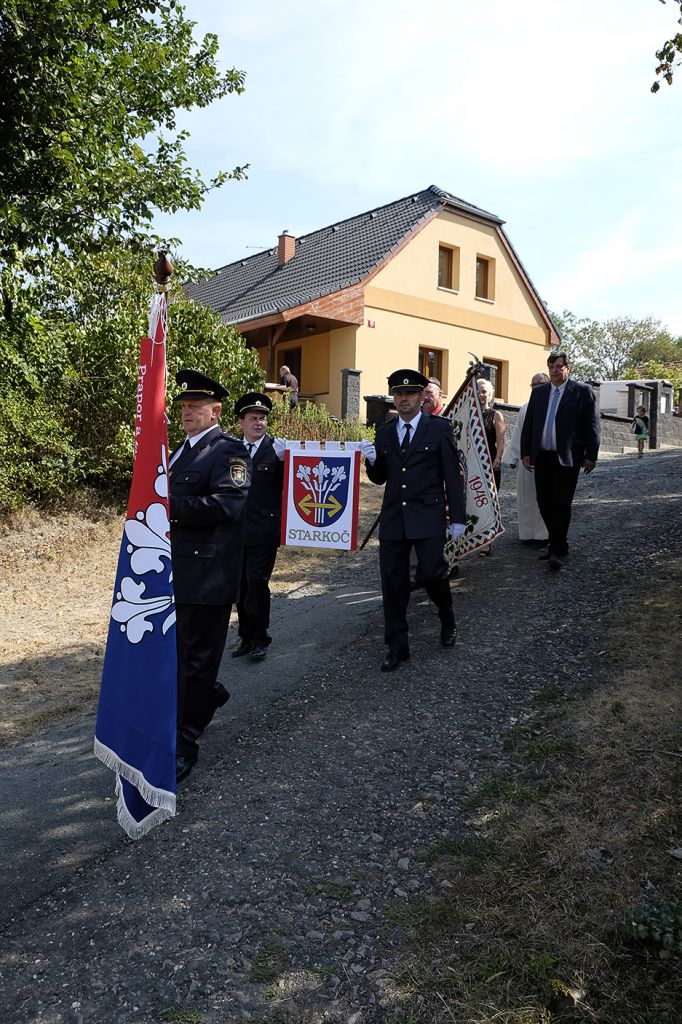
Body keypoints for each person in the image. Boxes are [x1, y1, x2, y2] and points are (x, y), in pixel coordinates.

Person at [169, 369, 251, 783]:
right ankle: (209, 695)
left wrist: (170, 506)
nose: (187, 412)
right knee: (180, 658)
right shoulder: (177, 452)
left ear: (215, 411)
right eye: (183, 406)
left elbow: (227, 505)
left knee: (196, 661)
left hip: (209, 573)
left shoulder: (229, 451)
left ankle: (186, 743)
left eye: (195, 406)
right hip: (175, 572)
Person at [363, 368, 466, 671]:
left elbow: (451, 476)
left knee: (433, 574)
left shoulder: (439, 429)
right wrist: (371, 460)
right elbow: (380, 477)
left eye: (410, 393)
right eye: (398, 393)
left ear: (422, 397)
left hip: (428, 515)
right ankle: (397, 645)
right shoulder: (384, 431)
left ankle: (447, 617)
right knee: (393, 583)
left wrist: (457, 517)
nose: (404, 398)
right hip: (395, 517)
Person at [520, 352, 600, 571]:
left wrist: (591, 455)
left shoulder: (581, 391)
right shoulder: (539, 393)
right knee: (544, 502)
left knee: (561, 504)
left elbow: (593, 425)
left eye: (558, 366)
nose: (555, 371)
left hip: (567, 458)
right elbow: (529, 424)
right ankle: (559, 543)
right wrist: (526, 451)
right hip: (542, 457)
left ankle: (555, 548)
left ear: (567, 368)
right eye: (551, 367)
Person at [232, 392, 285, 662]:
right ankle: (245, 636)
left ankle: (260, 638)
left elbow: (292, 485)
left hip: (264, 530)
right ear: (241, 422)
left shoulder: (277, 449)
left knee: (257, 584)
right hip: (236, 531)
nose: (259, 423)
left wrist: (286, 461)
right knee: (240, 587)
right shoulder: (232, 450)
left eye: (263, 418)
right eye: (253, 418)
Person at [507, 373, 550, 543]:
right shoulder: (525, 408)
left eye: (540, 384)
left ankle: (543, 535)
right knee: (526, 497)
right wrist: (513, 457)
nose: (536, 388)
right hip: (527, 461)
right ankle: (528, 534)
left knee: (544, 498)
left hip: (547, 460)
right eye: (533, 385)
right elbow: (518, 433)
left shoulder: (553, 407)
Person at [477, 378, 505, 556]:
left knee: (488, 502)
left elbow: (501, 441)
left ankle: (486, 540)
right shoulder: (469, 415)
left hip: (489, 464)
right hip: (472, 464)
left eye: (484, 392)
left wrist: (498, 458)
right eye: (478, 391)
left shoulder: (496, 415)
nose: (480, 395)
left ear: (490, 394)